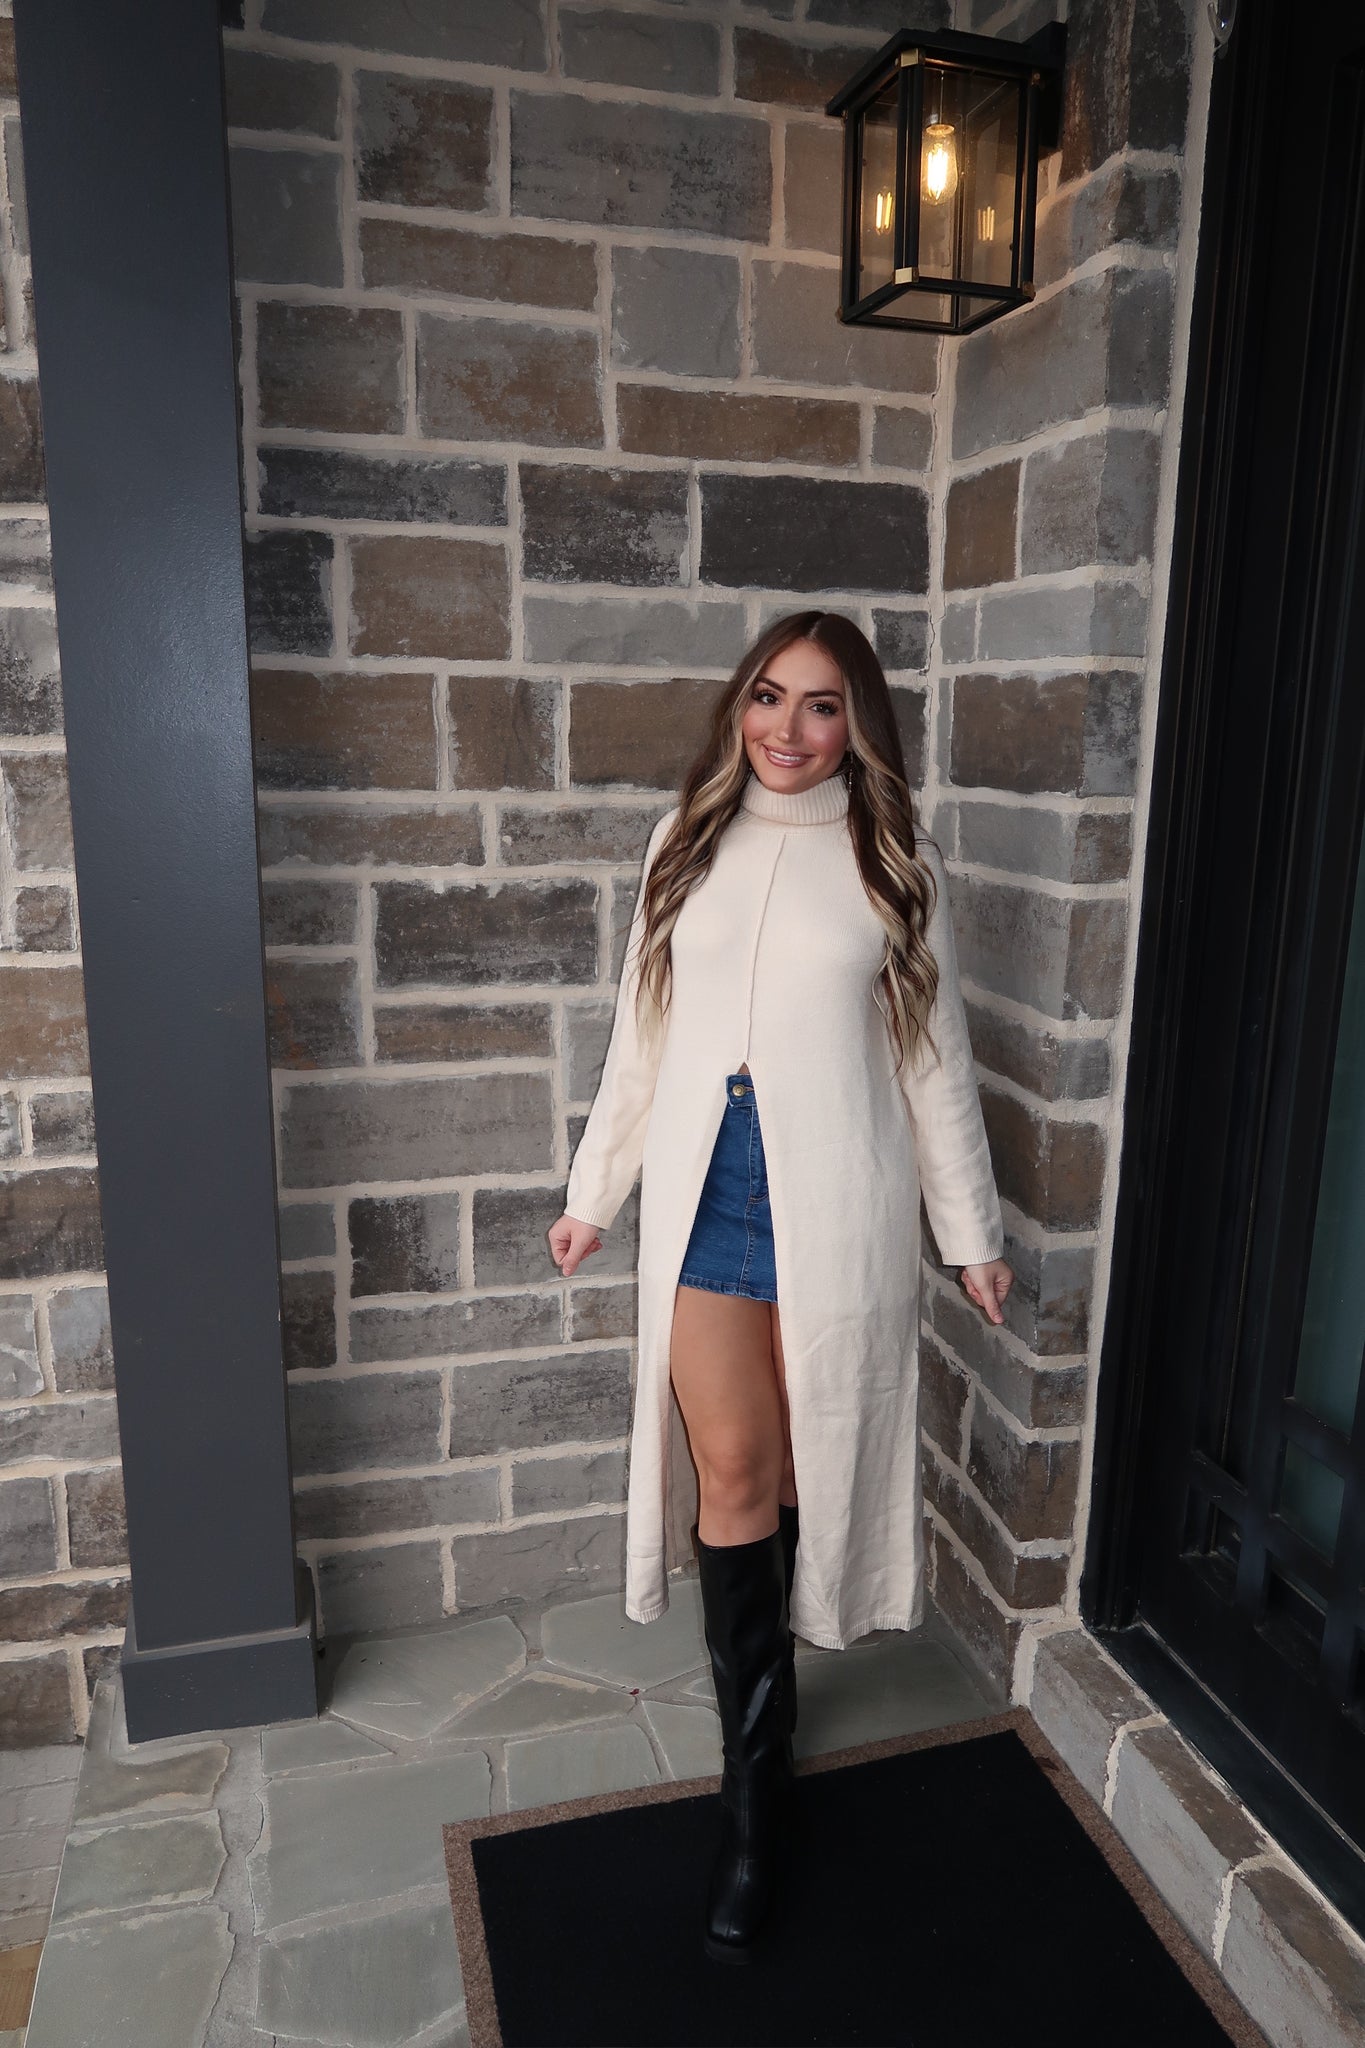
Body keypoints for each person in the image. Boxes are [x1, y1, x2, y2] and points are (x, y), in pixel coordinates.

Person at [547, 610, 1013, 1964]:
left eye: (820, 705)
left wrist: (970, 1233)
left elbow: (932, 1062)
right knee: (734, 1467)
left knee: (803, 1462)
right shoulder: (683, 844)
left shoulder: (893, 862)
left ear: (857, 724)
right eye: (768, 696)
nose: (787, 729)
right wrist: (593, 1194)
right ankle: (754, 1798)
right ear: (738, 705)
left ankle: (780, 1710)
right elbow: (640, 1038)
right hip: (706, 1209)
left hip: (835, 1208)